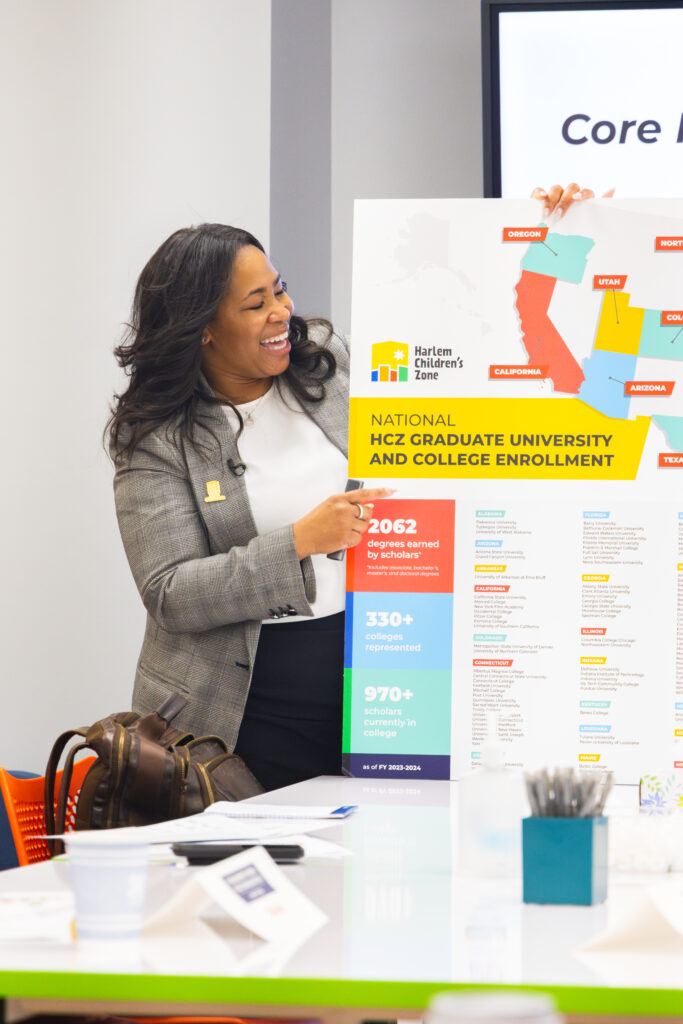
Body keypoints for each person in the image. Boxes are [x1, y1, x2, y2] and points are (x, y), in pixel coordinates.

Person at [108, 224, 392, 791]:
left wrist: (555, 234)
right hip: (239, 716)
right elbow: (170, 591)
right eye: (255, 303)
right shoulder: (157, 436)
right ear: (203, 329)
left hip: (376, 684)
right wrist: (299, 542)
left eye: (280, 290)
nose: (282, 312)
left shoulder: (325, 363)